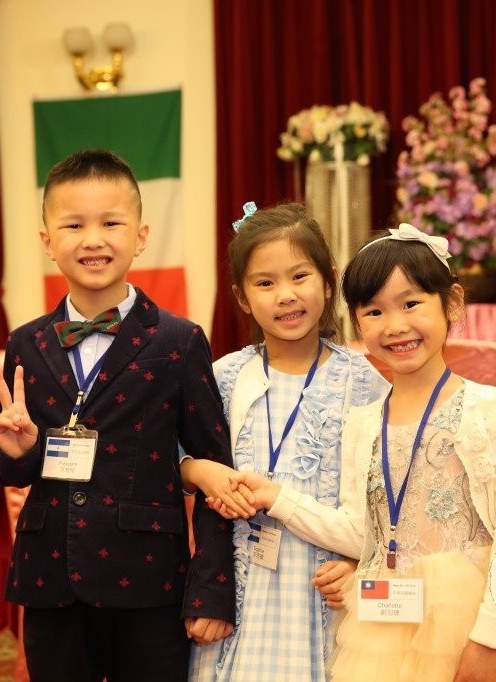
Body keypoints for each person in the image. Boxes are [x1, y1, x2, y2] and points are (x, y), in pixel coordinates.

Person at [235, 224, 496, 681]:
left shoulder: (485, 410)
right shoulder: (363, 422)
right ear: (356, 321)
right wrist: (279, 499)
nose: (395, 326)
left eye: (411, 304)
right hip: (384, 632)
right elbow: (359, 531)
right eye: (374, 311)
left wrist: (490, 638)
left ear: (452, 303)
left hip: (472, 622)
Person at [0, 149, 236, 682]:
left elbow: (215, 466)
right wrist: (13, 452)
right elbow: (13, 469)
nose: (93, 239)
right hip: (51, 577)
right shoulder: (25, 344)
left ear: (141, 237)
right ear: (47, 242)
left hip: (147, 579)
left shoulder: (179, 340)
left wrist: (211, 588)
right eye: (74, 225)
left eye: (111, 223)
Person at [181, 202, 389, 682]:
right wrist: (196, 470)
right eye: (265, 283)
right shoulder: (224, 377)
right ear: (241, 297)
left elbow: (386, 504)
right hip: (241, 596)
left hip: (322, 592)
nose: (286, 296)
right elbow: (173, 456)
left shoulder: (364, 384)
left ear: (329, 281)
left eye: (299, 276)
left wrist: (358, 562)